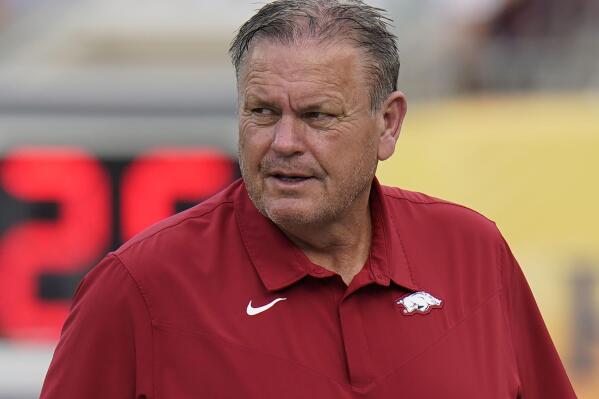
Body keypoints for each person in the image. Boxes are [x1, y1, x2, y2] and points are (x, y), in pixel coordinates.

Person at [40, 1, 576, 397]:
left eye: (318, 116)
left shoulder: (473, 253)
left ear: (388, 124)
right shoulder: (140, 288)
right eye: (263, 112)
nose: (285, 143)